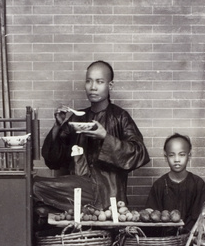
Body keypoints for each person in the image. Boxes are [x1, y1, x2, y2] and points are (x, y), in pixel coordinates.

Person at [33, 60, 151, 213]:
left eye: (99, 82)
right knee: (36, 198)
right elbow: (53, 161)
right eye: (88, 81)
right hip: (78, 187)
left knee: (34, 186)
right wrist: (58, 126)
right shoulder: (77, 118)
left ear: (110, 85)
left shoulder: (120, 117)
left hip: (107, 192)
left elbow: (139, 152)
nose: (93, 87)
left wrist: (105, 137)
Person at [145, 133, 205, 232]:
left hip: (191, 240)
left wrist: (203, 221)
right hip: (166, 242)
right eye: (171, 155)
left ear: (189, 156)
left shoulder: (197, 184)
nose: (176, 160)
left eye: (182, 155)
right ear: (165, 156)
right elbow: (151, 215)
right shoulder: (159, 185)